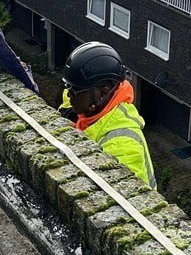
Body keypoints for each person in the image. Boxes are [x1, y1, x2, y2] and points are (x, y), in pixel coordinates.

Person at [60, 41, 156, 189]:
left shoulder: (122, 144)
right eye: (68, 86)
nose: (68, 94)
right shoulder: (88, 106)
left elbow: (122, 197)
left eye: (74, 90)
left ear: (103, 92)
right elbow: (69, 99)